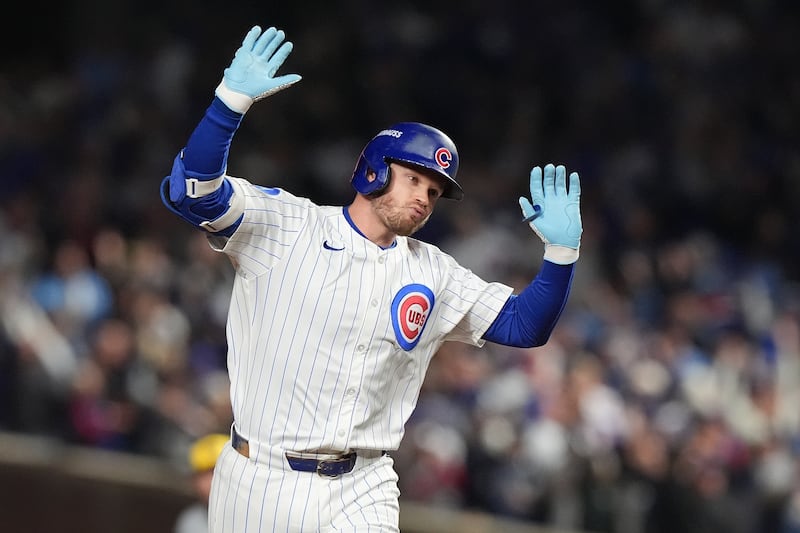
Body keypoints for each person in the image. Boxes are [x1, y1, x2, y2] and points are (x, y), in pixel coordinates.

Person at [160, 22, 583, 533]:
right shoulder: (289, 224)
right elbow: (193, 193)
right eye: (414, 179)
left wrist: (561, 253)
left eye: (434, 190)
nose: (424, 197)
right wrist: (227, 104)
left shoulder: (433, 271)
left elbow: (524, 326)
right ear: (373, 172)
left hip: (365, 482)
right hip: (261, 476)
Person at [174, 433, 229, 533]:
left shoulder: (253, 515)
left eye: (215, 472)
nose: (210, 482)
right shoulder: (190, 523)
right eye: (203, 474)